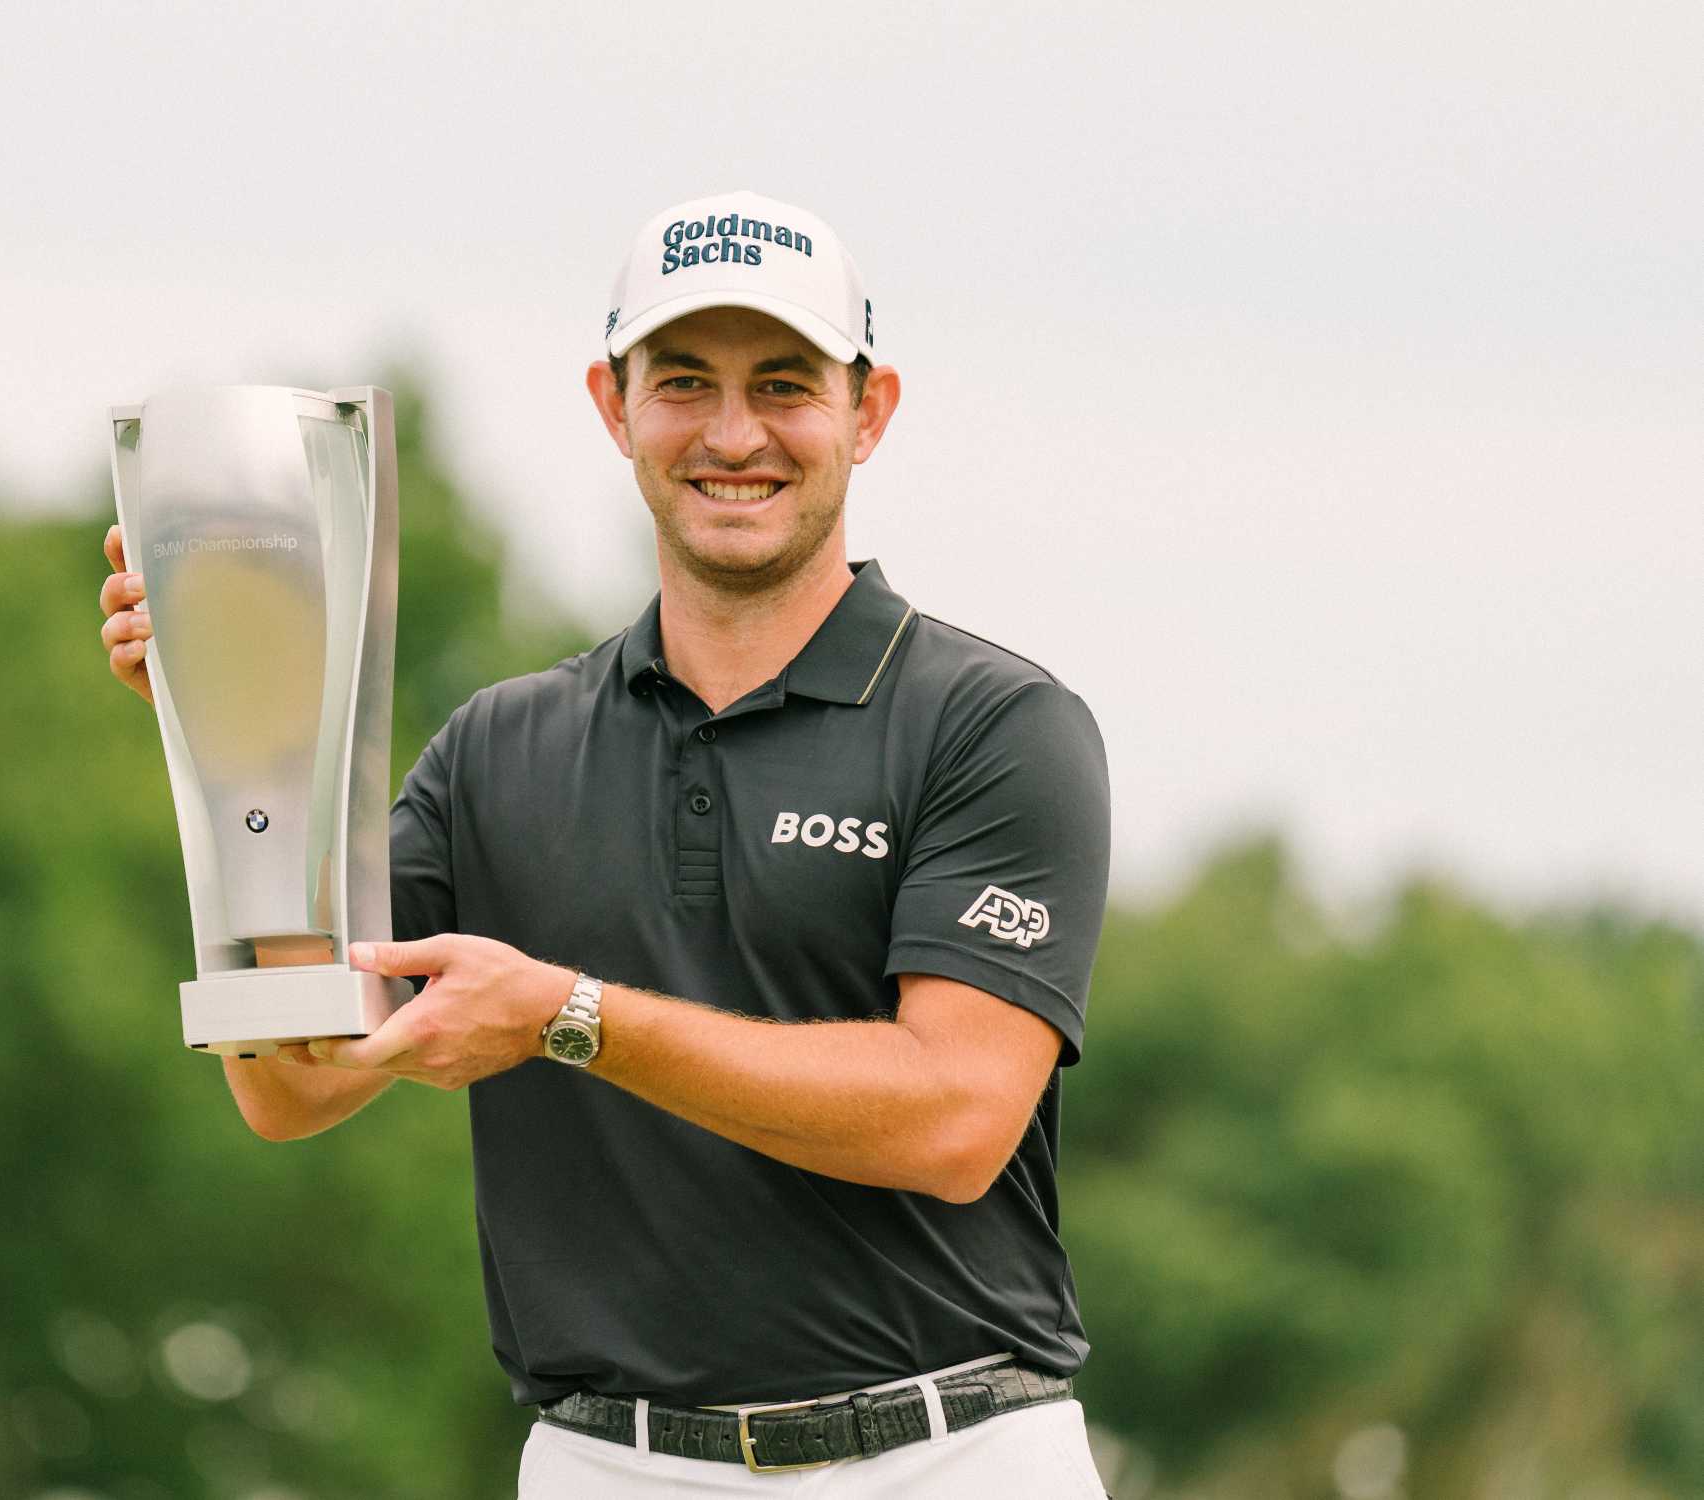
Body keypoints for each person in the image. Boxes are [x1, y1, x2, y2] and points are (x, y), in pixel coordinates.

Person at [98, 190, 1114, 1497]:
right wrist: (247, 756)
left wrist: (566, 1017)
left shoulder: (990, 727)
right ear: (612, 405)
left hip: (949, 1456)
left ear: (868, 412)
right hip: (608, 1467)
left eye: (785, 384)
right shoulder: (497, 751)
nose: (732, 433)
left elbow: (954, 1116)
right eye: (683, 381)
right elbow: (288, 1086)